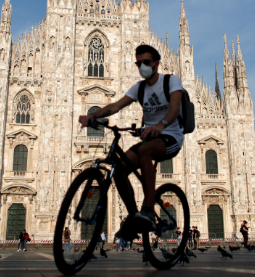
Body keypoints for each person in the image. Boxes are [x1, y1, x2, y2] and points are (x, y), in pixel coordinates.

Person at [78, 45, 184, 231]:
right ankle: (134, 217)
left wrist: (160, 126)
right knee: (118, 170)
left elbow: (175, 109)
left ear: (156, 64)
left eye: (146, 62)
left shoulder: (171, 81)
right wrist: (92, 116)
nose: (142, 66)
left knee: (144, 150)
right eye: (139, 63)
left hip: (171, 137)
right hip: (150, 139)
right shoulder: (139, 88)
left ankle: (149, 209)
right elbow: (115, 106)